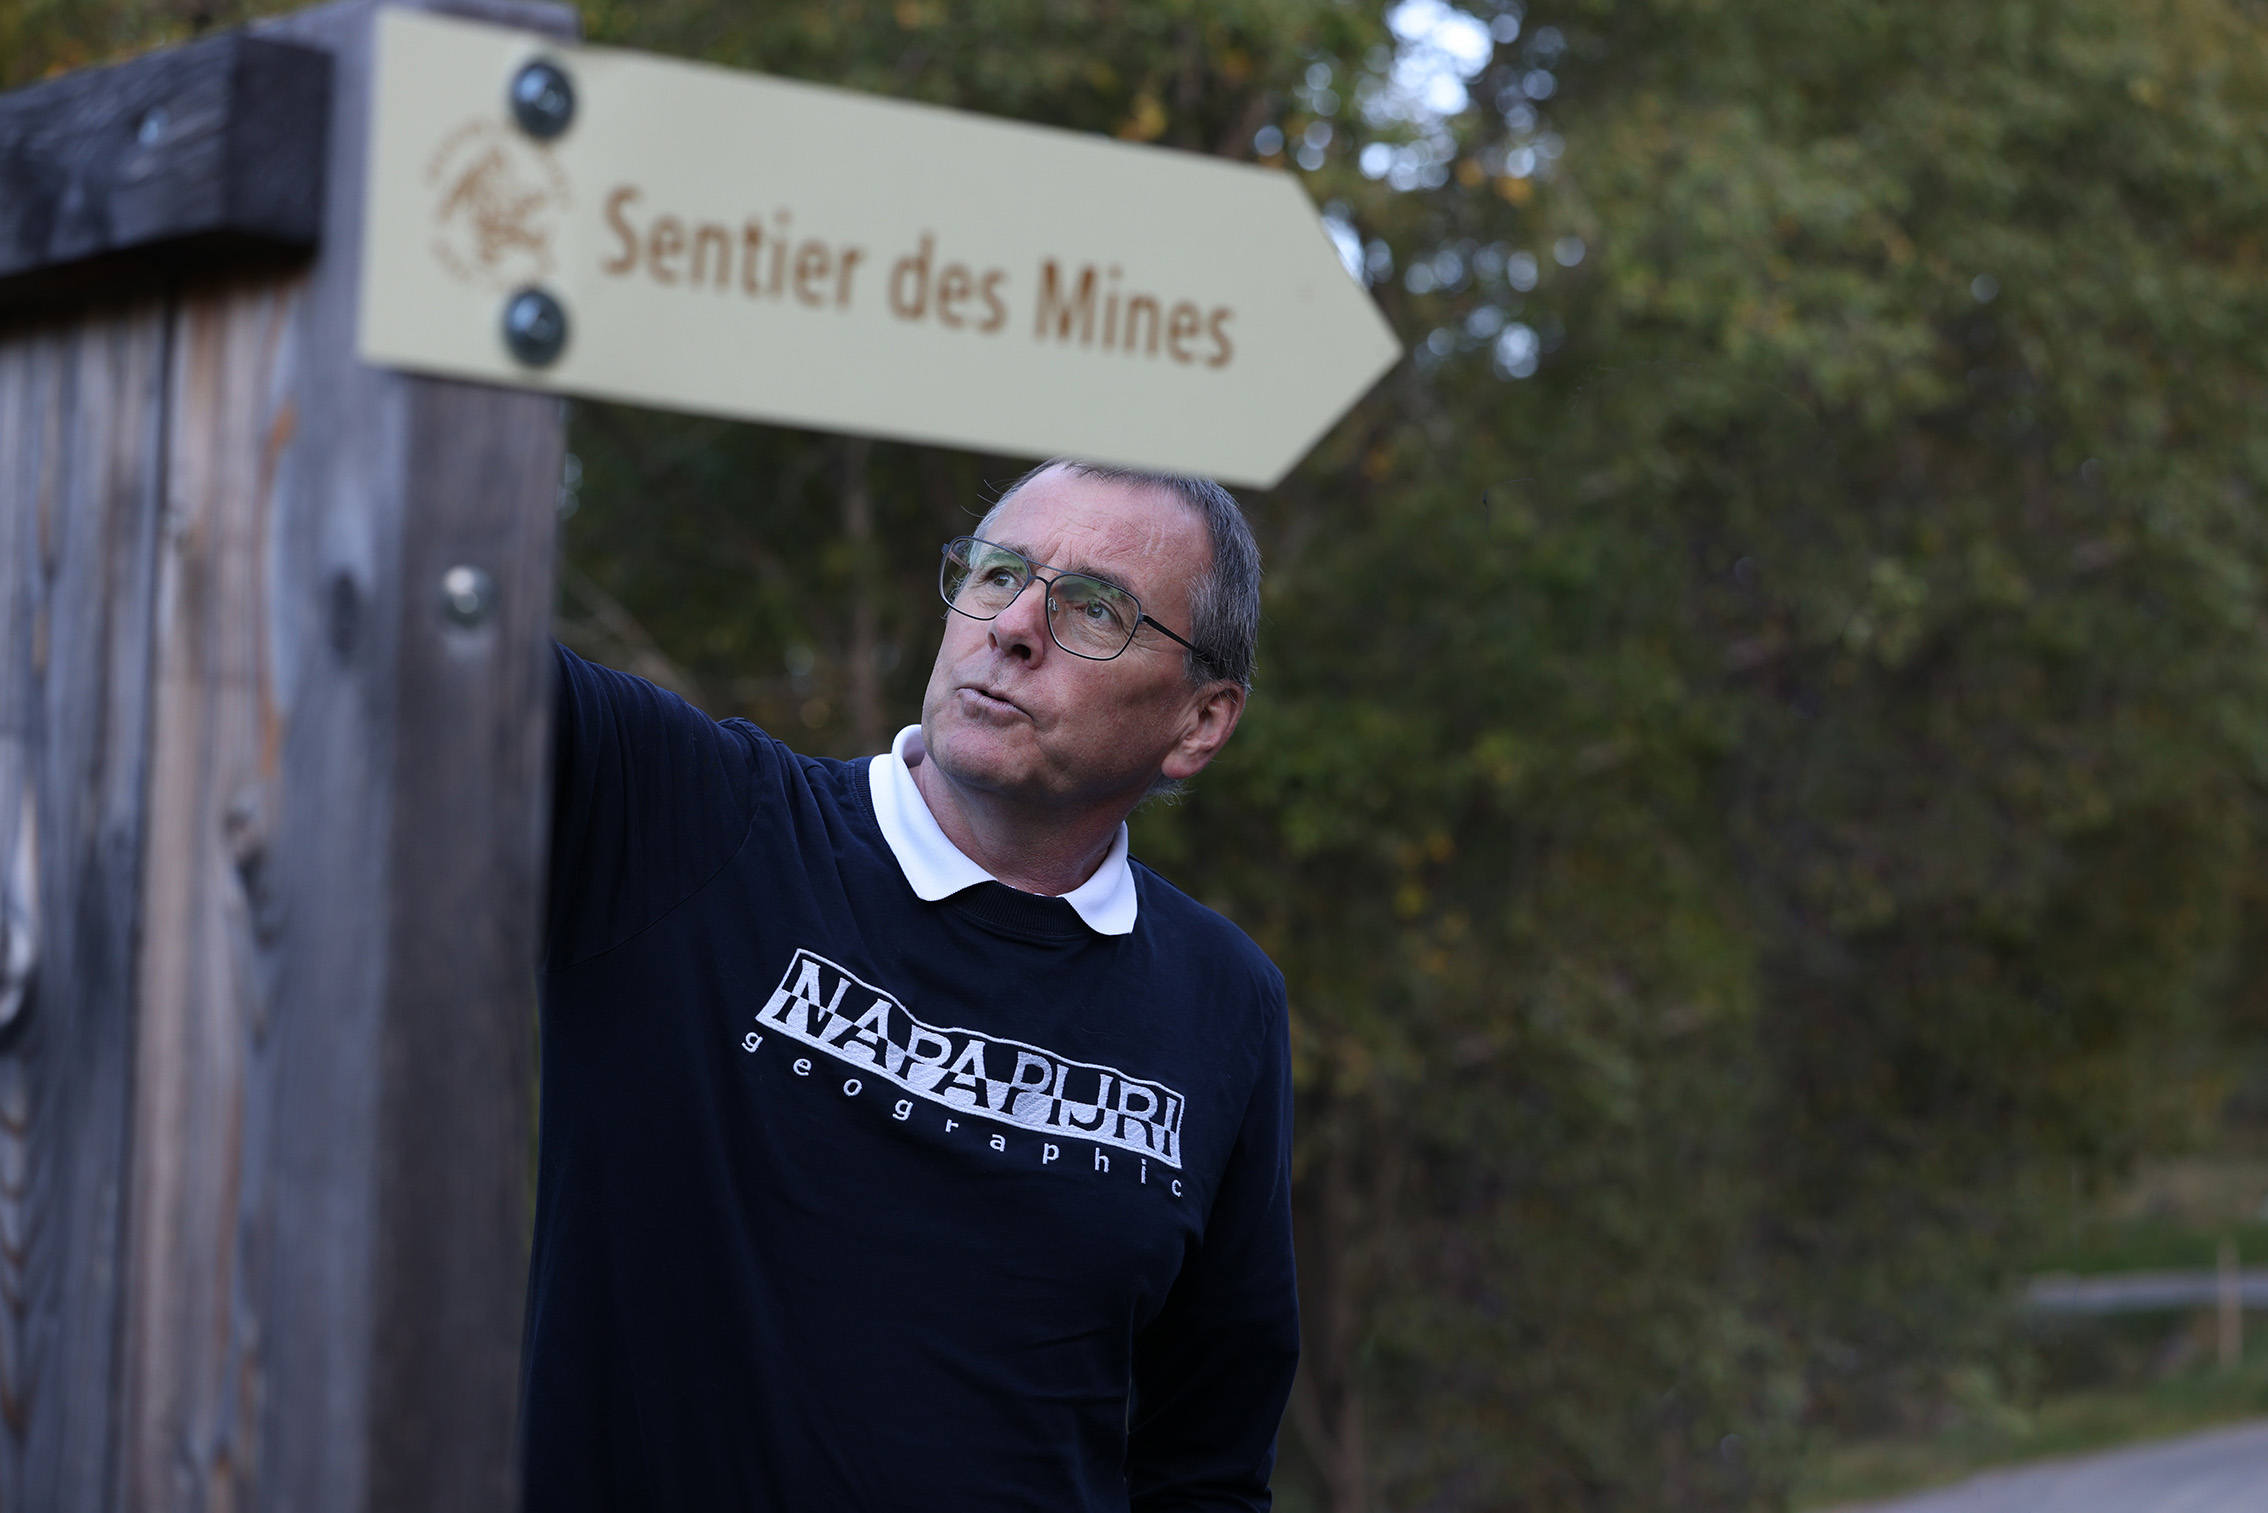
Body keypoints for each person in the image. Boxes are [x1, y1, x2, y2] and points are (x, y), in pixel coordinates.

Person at [521, 459, 1299, 1512]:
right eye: (998, 574)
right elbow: (414, 638)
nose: (1012, 626)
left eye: (1095, 608)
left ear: (1200, 721)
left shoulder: (1225, 998)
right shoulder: (686, 817)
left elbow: (1206, 1464)